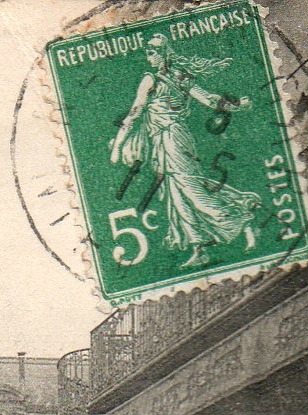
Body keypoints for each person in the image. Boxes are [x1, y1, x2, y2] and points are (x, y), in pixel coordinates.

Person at [109, 34, 259, 270]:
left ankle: (240, 217)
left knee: (190, 187)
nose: (149, 56)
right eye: (148, 52)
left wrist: (237, 106)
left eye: (153, 52)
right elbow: (136, 112)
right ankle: (200, 248)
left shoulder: (160, 79)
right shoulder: (167, 78)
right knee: (176, 193)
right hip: (161, 141)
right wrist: (237, 106)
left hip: (174, 139)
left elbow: (207, 100)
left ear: (165, 54)